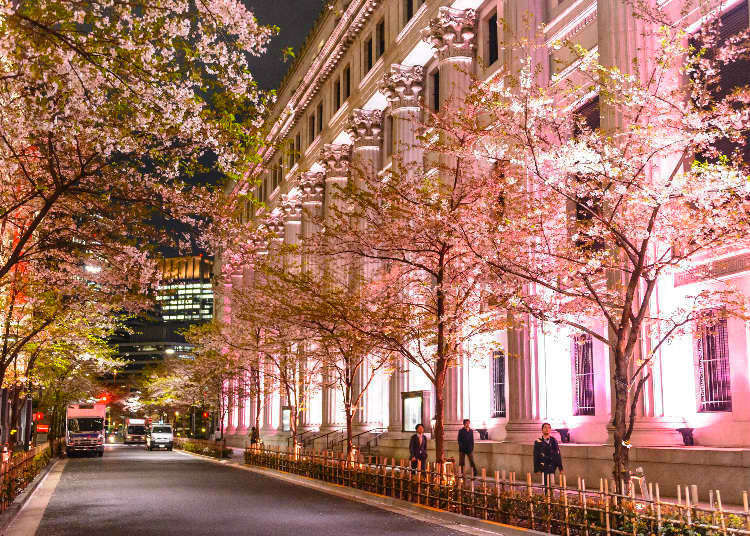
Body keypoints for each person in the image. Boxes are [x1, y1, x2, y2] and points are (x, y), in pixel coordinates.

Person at [533, 422, 564, 487]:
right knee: (545, 485)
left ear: (550, 430)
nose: (547, 429)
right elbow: (536, 455)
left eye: (549, 428)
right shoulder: (538, 441)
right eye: (545, 427)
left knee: (552, 484)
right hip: (543, 465)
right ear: (542, 430)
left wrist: (560, 467)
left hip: (552, 465)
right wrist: (536, 469)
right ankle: (546, 496)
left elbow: (557, 454)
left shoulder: (554, 440)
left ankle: (551, 496)